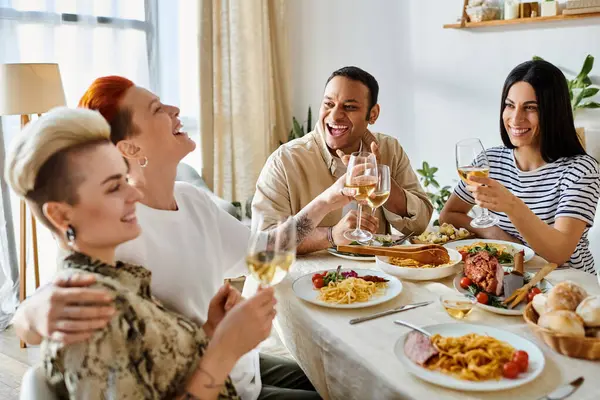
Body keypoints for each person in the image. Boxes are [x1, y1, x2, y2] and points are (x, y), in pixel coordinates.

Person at [11, 76, 355, 399]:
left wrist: (328, 201)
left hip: (232, 361)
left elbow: (261, 254)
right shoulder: (118, 231)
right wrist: (28, 315)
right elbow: (71, 292)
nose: (175, 110)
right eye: (157, 109)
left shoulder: (189, 198)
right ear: (130, 148)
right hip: (212, 376)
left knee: (344, 377)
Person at [4, 107, 277, 399]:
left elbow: (161, 369)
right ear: (60, 215)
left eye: (124, 179)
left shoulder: (124, 276)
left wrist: (211, 330)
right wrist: (224, 349)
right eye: (113, 188)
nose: (134, 194)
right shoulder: (90, 314)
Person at [440, 60, 600, 274]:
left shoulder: (581, 171)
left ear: (553, 111)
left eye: (530, 107)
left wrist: (511, 205)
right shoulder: (490, 161)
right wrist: (494, 234)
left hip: (566, 287)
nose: (516, 118)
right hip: (508, 278)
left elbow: (559, 254)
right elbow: (449, 214)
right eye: (510, 105)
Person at [252, 66, 432, 254]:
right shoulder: (285, 161)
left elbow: (419, 225)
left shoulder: (390, 149)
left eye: (350, 107)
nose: (335, 115)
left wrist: (380, 177)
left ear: (373, 114)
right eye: (329, 104)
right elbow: (263, 246)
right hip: (308, 279)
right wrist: (330, 235)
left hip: (376, 280)